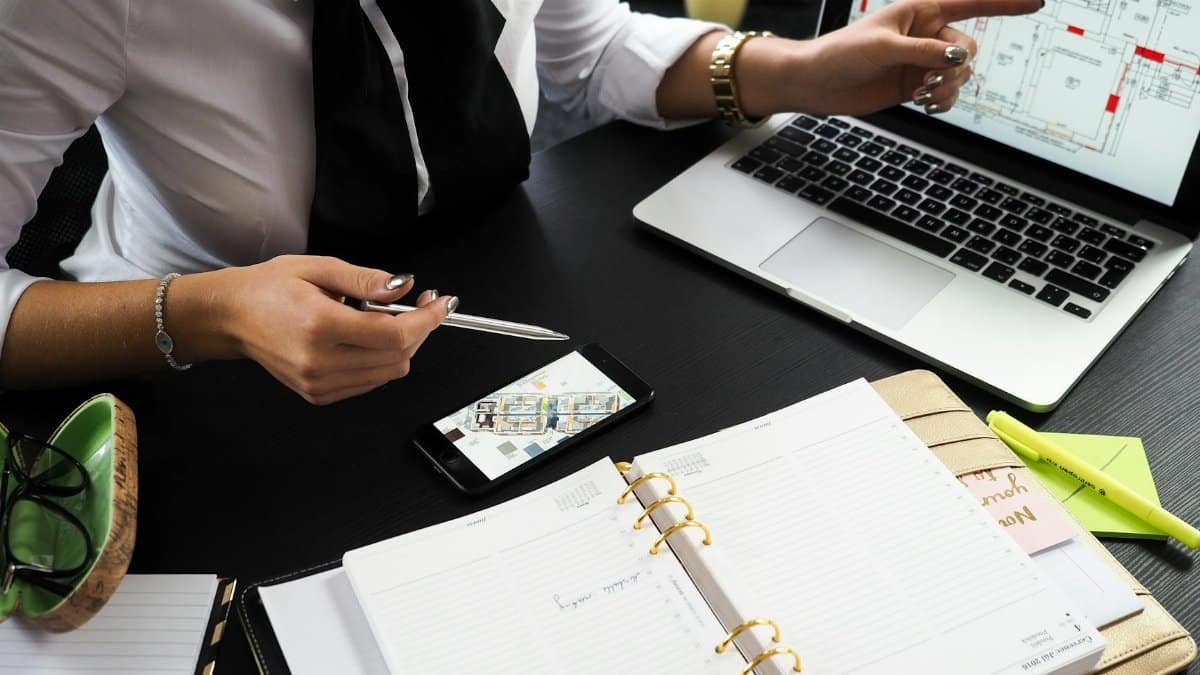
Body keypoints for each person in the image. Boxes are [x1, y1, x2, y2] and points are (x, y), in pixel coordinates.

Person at [0, 0, 1039, 404]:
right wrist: (210, 312)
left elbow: (577, 52)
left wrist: (786, 71)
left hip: (494, 283)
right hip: (199, 381)